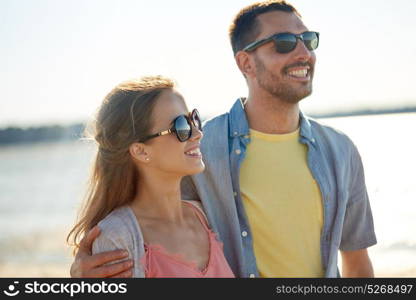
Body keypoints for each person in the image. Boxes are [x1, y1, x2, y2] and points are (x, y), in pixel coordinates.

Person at [70, 1, 376, 278]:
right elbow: (144, 220)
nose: (303, 53)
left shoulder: (341, 151)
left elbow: (357, 263)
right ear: (245, 63)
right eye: (283, 43)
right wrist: (84, 275)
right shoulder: (200, 149)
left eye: (308, 41)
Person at [67, 76, 235, 278]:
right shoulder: (117, 238)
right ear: (140, 151)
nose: (197, 133)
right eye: (181, 126)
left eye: (194, 119)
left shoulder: (205, 215)